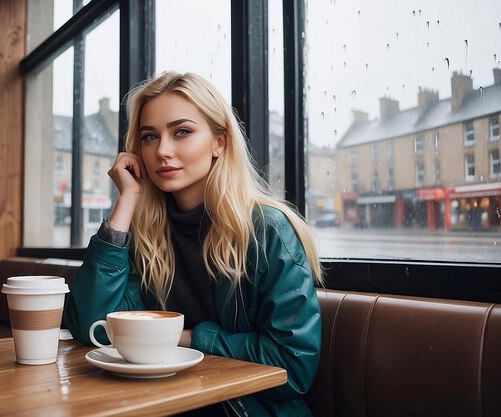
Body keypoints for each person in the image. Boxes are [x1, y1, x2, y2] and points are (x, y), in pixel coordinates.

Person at [64, 71, 322, 417]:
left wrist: (186, 338)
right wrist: (126, 200)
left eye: (181, 131)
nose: (162, 151)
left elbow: (293, 366)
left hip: (246, 409)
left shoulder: (267, 229)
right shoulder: (147, 234)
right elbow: (90, 328)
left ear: (219, 142)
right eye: (149, 137)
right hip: (164, 402)